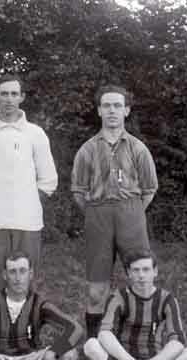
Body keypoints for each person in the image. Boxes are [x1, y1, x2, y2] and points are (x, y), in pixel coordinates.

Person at [71, 84, 158, 338]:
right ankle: (95, 345)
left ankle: (141, 341)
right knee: (96, 289)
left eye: (117, 105)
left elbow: (149, 189)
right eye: (107, 105)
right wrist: (96, 213)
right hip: (97, 215)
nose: (112, 111)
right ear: (99, 111)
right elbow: (78, 192)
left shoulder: (138, 148)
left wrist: (131, 212)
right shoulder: (87, 150)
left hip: (131, 214)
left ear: (126, 111)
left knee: (142, 279)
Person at [0, 74, 58, 292]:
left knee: (25, 281)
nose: (9, 99)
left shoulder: (36, 133)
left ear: (22, 97)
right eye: (4, 93)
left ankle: (26, 323)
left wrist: (27, 201)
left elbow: (48, 179)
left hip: (28, 221)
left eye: (14, 94)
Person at [83, 250, 187, 360]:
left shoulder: (167, 299)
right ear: (128, 273)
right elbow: (104, 333)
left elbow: (178, 340)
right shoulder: (119, 296)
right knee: (91, 346)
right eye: (136, 270)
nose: (141, 275)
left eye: (146, 269)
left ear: (155, 271)